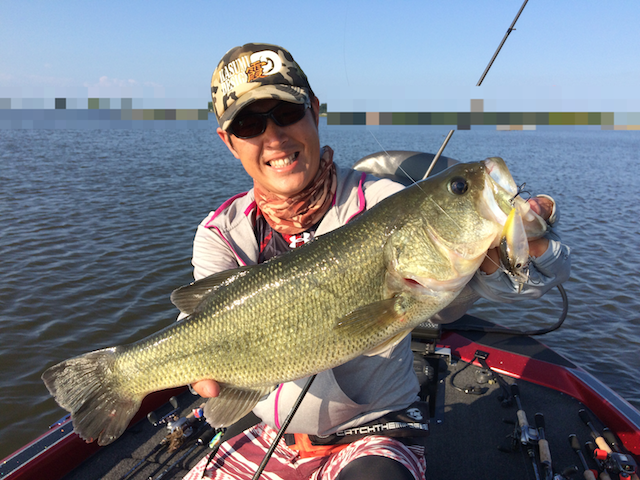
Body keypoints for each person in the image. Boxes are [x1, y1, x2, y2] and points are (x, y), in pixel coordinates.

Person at [183, 43, 570, 480]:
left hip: (376, 433)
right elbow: (199, 325)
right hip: (270, 438)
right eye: (250, 124)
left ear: (314, 111)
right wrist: (198, 369)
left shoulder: (382, 202)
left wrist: (526, 248)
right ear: (229, 142)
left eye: (287, 113)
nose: (274, 137)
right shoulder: (220, 233)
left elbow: (513, 283)